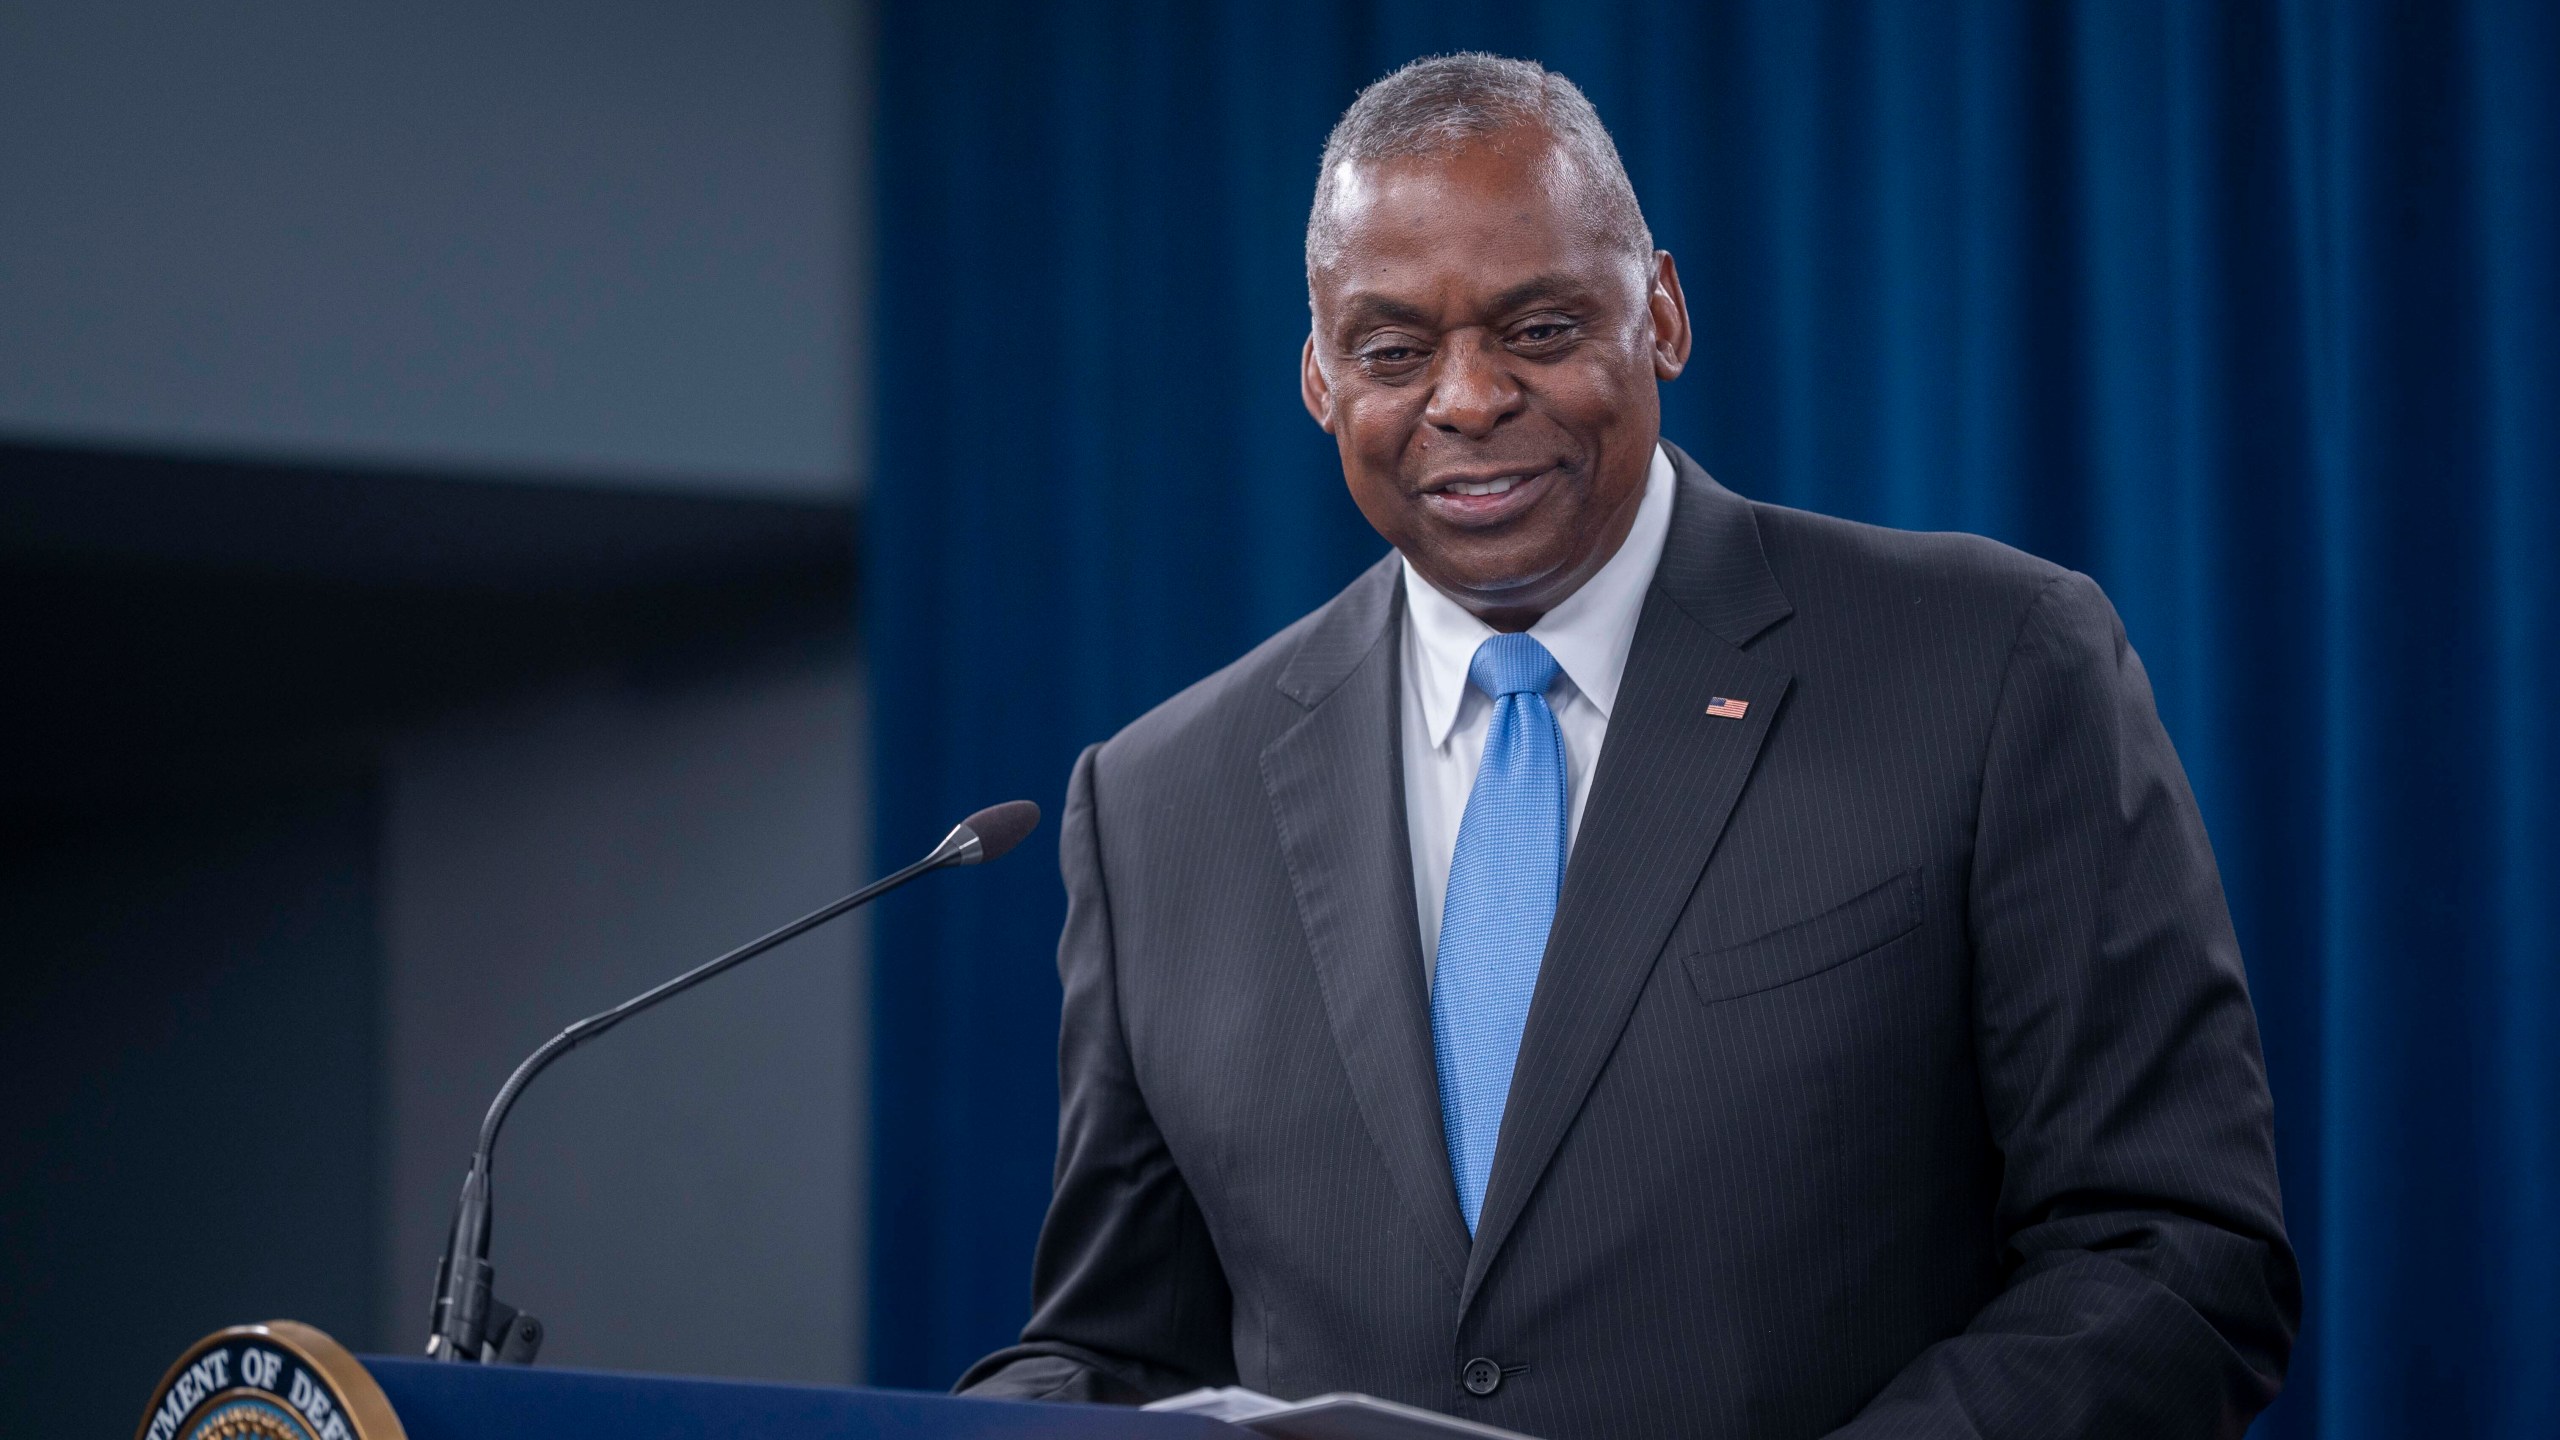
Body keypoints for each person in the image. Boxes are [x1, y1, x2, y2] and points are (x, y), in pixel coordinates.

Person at [960, 53, 2297, 1438]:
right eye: (1392, 351)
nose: (1465, 399)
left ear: (1659, 312)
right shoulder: (1159, 801)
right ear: (1317, 379)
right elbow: (1114, 1350)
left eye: (1536, 329)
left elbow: (2171, 1258)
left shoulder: (1991, 664)